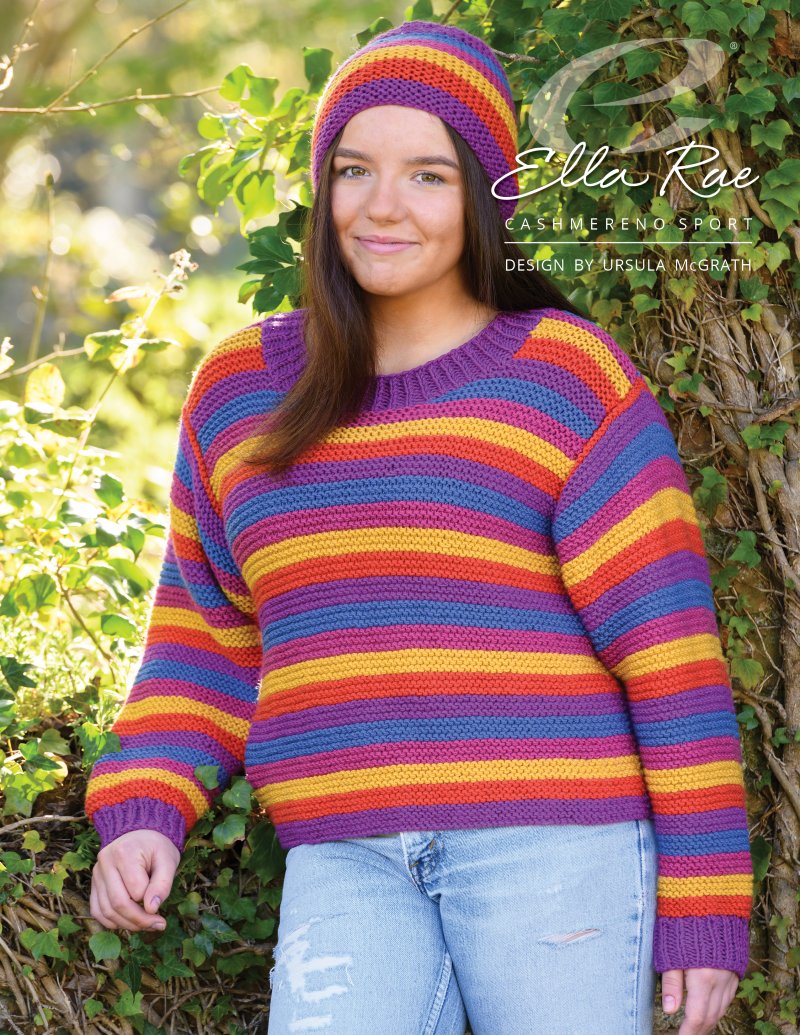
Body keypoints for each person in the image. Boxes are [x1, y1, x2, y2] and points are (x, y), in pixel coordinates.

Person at [85, 19, 754, 1035]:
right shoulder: (240, 393)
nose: (382, 205)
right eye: (353, 169)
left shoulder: (565, 378)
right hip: (344, 858)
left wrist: (706, 897)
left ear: (484, 197)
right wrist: (146, 807)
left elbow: (669, 653)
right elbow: (205, 640)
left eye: (428, 176)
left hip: (556, 850)